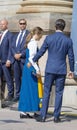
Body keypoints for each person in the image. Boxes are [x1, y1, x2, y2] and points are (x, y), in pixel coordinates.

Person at [32, 19, 74, 123]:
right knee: (59, 93)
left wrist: (33, 60)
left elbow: (41, 51)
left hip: (50, 69)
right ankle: (56, 117)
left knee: (47, 92)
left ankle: (43, 116)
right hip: (61, 69)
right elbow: (71, 57)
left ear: (55, 26)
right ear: (63, 28)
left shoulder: (49, 38)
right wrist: (72, 70)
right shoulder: (68, 40)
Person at [18, 27, 43, 119]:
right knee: (32, 89)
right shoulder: (33, 43)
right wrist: (37, 69)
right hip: (31, 68)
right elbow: (32, 58)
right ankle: (32, 110)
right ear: (37, 34)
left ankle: (27, 110)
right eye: (41, 35)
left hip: (28, 68)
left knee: (28, 89)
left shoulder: (31, 42)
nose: (41, 37)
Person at [11, 19, 30, 102]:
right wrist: (15, 54)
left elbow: (29, 47)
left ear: (26, 24)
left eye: (24, 23)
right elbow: (12, 47)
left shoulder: (29, 35)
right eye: (21, 23)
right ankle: (18, 94)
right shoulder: (16, 35)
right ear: (19, 24)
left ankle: (24, 95)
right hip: (15, 60)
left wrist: (21, 54)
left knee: (25, 78)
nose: (22, 25)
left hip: (23, 60)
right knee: (17, 78)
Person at [0, 19, 14, 101]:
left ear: (7, 25)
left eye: (3, 24)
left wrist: (9, 59)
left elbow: (11, 49)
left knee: (8, 78)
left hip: (5, 61)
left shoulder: (10, 35)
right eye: (0, 24)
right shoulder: (0, 34)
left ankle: (10, 94)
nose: (1, 26)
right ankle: (1, 95)